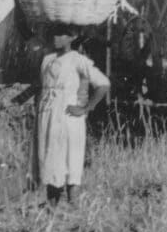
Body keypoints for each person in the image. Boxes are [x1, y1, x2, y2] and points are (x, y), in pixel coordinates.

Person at [35, 24, 111, 206]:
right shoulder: (47, 59)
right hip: (47, 113)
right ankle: (52, 209)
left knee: (70, 158)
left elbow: (103, 84)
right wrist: (13, 100)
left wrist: (86, 108)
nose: (56, 38)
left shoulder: (77, 59)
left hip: (68, 115)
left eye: (61, 34)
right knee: (50, 156)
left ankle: (74, 208)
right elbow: (40, 87)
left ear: (72, 37)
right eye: (54, 33)